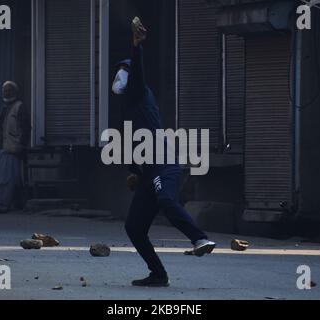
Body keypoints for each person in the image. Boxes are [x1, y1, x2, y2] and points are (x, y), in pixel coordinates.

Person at [112, 18, 216, 287]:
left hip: (164, 163)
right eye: (119, 71)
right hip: (149, 170)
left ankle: (199, 238)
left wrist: (137, 47)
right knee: (134, 227)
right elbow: (136, 141)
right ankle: (158, 274)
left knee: (166, 201)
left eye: (124, 71)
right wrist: (134, 171)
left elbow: (136, 76)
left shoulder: (138, 91)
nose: (120, 74)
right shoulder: (129, 108)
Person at [0, 81, 30, 215]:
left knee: (6, 180)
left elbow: (25, 128)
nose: (6, 93)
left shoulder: (19, 107)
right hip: (3, 149)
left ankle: (1, 205)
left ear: (15, 92)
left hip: (13, 149)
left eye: (9, 90)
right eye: (4, 91)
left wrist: (21, 145)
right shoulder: (5, 108)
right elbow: (0, 131)